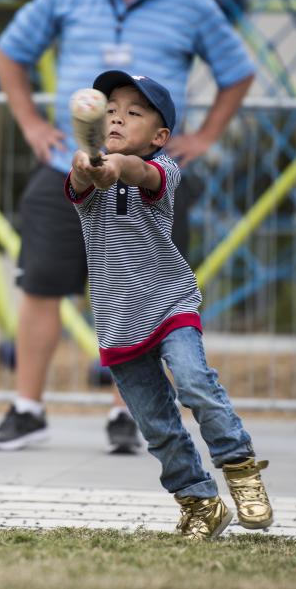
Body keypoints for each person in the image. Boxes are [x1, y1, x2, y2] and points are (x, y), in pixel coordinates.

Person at [0, 0, 256, 453]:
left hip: (153, 171)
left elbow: (238, 71)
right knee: (41, 285)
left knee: (146, 292)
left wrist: (205, 137)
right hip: (62, 165)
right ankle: (27, 410)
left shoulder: (193, 5)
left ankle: (126, 416)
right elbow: (9, 53)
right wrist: (31, 123)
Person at [67, 69, 271, 540]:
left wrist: (114, 168)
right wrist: (87, 166)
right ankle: (199, 502)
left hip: (169, 304)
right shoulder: (86, 168)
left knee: (196, 384)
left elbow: (135, 171)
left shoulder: (163, 171)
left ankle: (240, 471)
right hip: (118, 319)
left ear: (159, 136)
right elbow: (83, 178)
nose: (118, 119)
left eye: (133, 113)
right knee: (157, 425)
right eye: (111, 111)